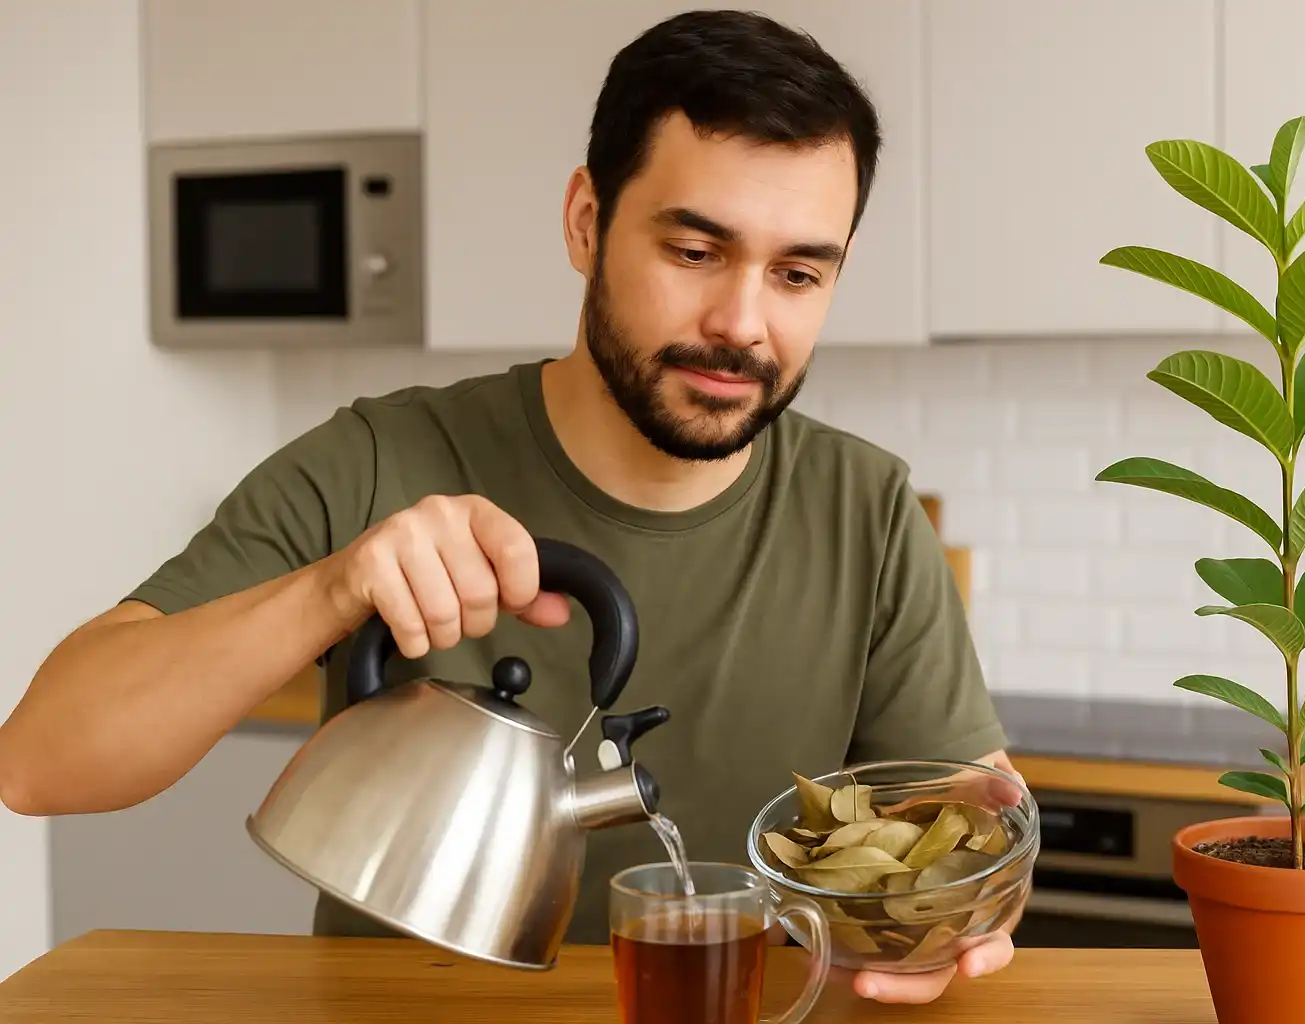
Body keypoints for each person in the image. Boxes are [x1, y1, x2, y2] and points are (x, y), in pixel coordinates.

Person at [0, 9, 1021, 1005]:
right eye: (694, 251)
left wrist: (965, 914)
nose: (740, 323)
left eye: (797, 273)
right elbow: (40, 763)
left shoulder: (869, 508)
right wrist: (331, 588)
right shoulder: (380, 458)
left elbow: (964, 822)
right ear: (587, 222)